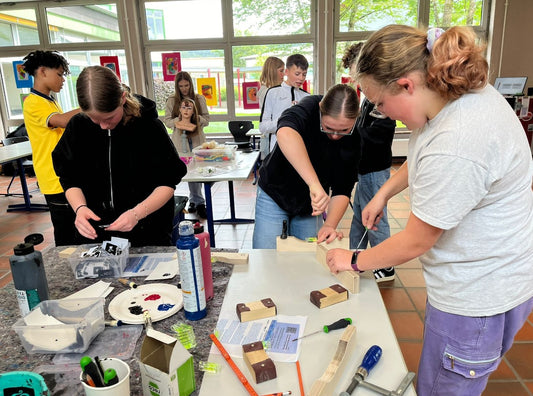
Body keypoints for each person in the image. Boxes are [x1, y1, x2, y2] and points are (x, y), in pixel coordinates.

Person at [326, 25, 533, 396]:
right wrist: (383, 194)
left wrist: (354, 260)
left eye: (379, 102)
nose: (381, 113)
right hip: (496, 278)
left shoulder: (459, 142)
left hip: (476, 298)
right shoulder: (449, 98)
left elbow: (415, 241)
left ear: (406, 85)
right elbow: (425, 155)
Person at [52, 65, 186, 247]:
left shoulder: (149, 128)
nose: (103, 126)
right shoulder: (78, 127)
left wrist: (137, 213)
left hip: (147, 231)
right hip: (95, 235)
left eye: (109, 118)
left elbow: (168, 182)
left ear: (122, 98)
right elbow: (69, 178)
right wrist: (80, 208)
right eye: (95, 119)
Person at [253, 84, 361, 249]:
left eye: (344, 130)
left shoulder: (355, 139)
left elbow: (343, 189)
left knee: (309, 258)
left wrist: (329, 225)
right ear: (320, 110)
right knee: (266, 256)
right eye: (328, 128)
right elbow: (285, 132)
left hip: (310, 207)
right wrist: (314, 184)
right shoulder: (309, 107)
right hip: (274, 193)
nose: (334, 136)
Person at [342, 43, 397, 283]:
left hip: (375, 167)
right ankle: (357, 254)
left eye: (357, 72)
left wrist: (349, 136)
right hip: (364, 165)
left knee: (376, 217)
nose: (356, 79)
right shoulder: (367, 96)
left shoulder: (381, 98)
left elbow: (377, 135)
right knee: (359, 215)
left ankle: (385, 266)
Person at [22, 50, 81, 246]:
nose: (63, 80)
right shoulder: (33, 103)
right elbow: (62, 122)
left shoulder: (49, 100)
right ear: (42, 72)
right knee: (66, 232)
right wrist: (92, 103)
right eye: (59, 74)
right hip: (53, 177)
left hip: (63, 172)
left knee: (75, 227)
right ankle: (63, 271)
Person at [164, 71, 210, 219]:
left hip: (196, 140)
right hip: (180, 141)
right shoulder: (172, 100)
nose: (184, 89)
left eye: (187, 85)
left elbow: (207, 119)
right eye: (181, 86)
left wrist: (195, 118)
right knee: (185, 171)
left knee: (197, 171)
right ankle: (191, 201)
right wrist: (180, 119)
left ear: (191, 84)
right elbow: (167, 121)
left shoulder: (199, 99)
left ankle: (199, 202)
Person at [259, 54, 309, 154]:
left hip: (299, 151)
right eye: (297, 73)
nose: (301, 78)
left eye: (304, 74)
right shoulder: (272, 93)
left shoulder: (306, 97)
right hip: (277, 151)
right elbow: (263, 127)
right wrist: (285, 119)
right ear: (287, 72)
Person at [257, 56, 285, 159]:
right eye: (281, 71)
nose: (284, 74)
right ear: (273, 71)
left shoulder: (277, 90)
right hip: (270, 138)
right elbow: (268, 121)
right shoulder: (266, 92)